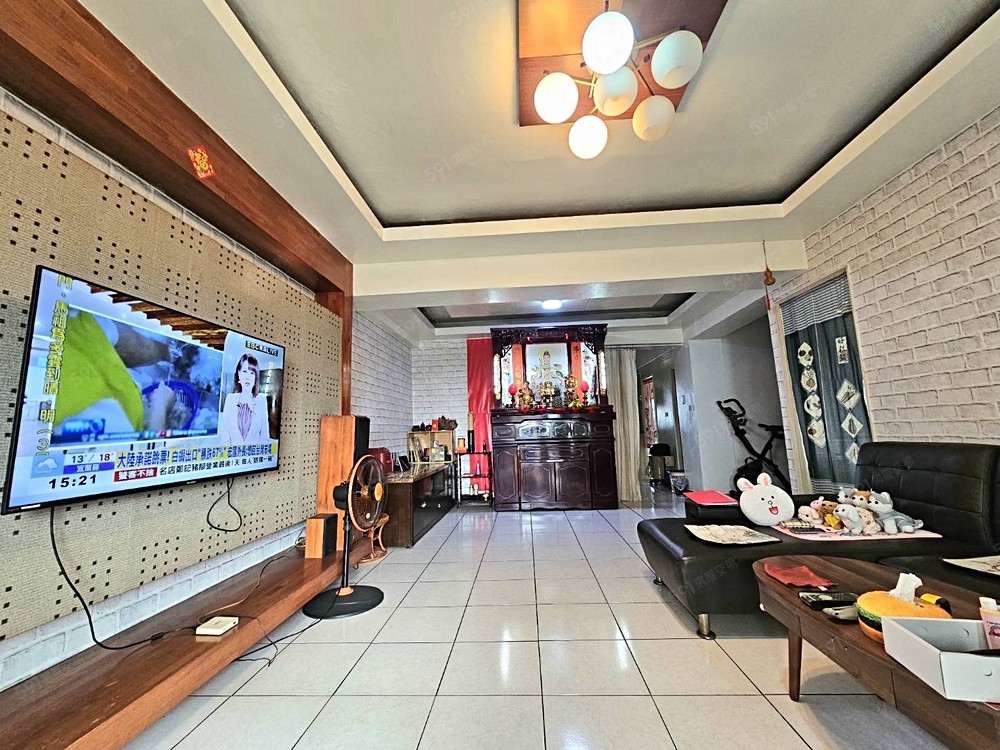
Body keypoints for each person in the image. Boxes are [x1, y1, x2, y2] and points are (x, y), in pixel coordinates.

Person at [219, 354, 270, 445]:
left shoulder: (261, 400)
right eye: (245, 371)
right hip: (232, 453)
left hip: (254, 453)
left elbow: (264, 435)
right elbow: (225, 433)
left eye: (252, 373)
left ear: (255, 377)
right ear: (239, 373)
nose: (248, 377)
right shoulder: (230, 399)